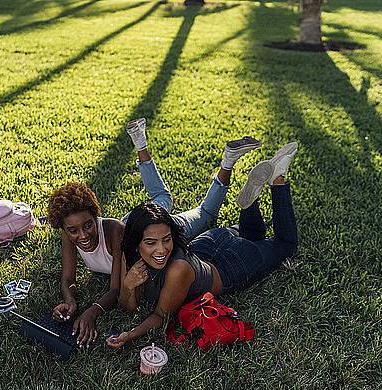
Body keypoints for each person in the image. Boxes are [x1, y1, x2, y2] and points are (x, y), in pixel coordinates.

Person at [46, 118, 262, 347]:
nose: (82, 236)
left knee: (206, 214)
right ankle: (140, 143)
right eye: (73, 231)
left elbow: (116, 289)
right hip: (134, 223)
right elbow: (68, 278)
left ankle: (227, 162)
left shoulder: (116, 235)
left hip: (149, 235)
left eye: (87, 226)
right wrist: (70, 300)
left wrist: (92, 312)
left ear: (96, 216)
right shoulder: (71, 233)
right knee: (162, 199)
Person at [107, 142, 299, 348]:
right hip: (208, 242)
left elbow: (161, 316)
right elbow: (128, 306)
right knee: (253, 235)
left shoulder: (177, 270)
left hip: (232, 265)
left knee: (286, 244)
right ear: (136, 244)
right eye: (151, 243)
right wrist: (127, 285)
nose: (161, 249)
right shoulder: (129, 251)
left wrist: (131, 334)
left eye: (167, 239)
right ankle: (249, 203)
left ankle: (278, 179)